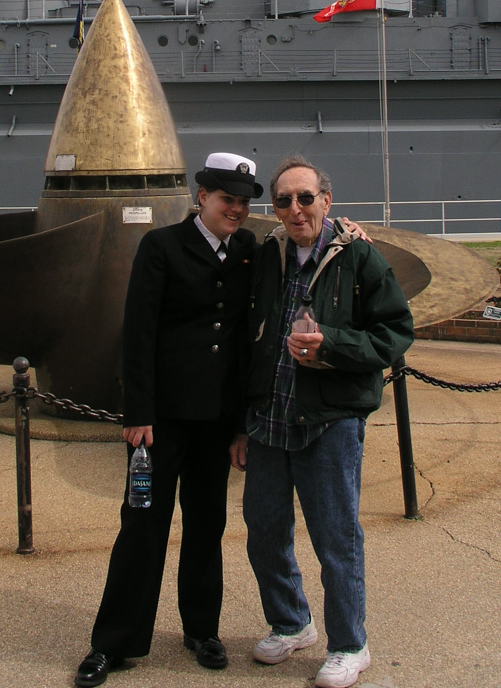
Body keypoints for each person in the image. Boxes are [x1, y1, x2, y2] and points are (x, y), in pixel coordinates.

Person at [74, 153, 263, 687]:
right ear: (201, 197)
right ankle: (114, 642)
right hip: (160, 424)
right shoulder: (160, 248)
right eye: (228, 200)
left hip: (217, 421)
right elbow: (138, 334)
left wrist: (241, 425)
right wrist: (138, 413)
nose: (237, 211)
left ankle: (202, 629)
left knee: (207, 527)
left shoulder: (248, 250)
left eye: (245, 203)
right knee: (142, 527)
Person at [231, 154, 413, 688]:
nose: (295, 208)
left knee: (335, 537)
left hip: (328, 423)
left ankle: (349, 644)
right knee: (264, 531)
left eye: (305, 197)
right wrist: (242, 422)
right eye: (283, 200)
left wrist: (330, 346)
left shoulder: (359, 257)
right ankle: (291, 623)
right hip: (269, 421)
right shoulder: (269, 255)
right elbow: (250, 341)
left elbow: (395, 333)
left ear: (326, 201)